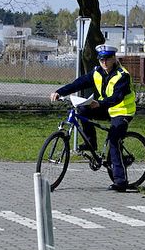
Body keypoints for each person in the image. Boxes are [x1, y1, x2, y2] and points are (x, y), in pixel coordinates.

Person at [49, 44, 136, 191]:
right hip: (105, 108)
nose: (104, 62)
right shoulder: (97, 72)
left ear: (114, 58)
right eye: (101, 59)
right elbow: (78, 83)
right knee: (82, 110)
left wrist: (100, 104)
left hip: (122, 111)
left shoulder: (123, 75)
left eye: (107, 59)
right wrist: (59, 92)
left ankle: (121, 182)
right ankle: (91, 142)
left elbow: (116, 98)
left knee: (114, 141)